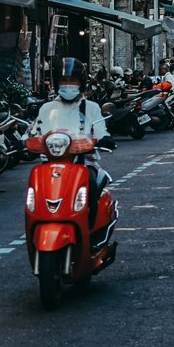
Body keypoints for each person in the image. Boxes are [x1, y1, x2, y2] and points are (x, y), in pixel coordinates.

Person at [33, 57, 113, 227]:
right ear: (57, 83)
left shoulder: (91, 107)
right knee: (35, 190)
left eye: (73, 81)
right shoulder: (46, 108)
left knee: (90, 185)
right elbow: (34, 131)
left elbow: (100, 129)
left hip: (84, 165)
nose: (68, 85)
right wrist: (23, 142)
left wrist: (104, 138)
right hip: (50, 165)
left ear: (81, 83)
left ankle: (90, 230)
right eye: (64, 80)